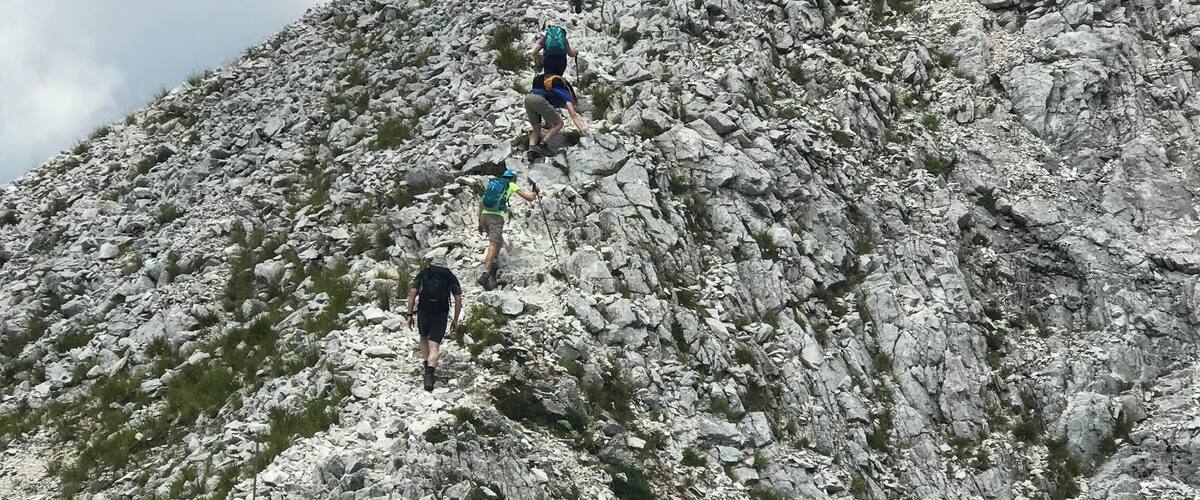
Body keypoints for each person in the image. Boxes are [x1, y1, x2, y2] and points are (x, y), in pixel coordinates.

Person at [406, 251, 462, 392]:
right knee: (435, 345)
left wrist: (410, 314)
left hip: (424, 310)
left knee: (423, 337)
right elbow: (458, 299)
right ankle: (430, 373)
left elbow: (412, 293)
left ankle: (427, 366)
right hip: (441, 312)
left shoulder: (424, 273)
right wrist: (455, 320)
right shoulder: (450, 276)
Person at [477, 169, 537, 289]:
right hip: (496, 217)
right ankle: (485, 275)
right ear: (512, 178)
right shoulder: (511, 184)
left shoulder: (494, 184)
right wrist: (535, 193)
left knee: (498, 242)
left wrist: (479, 222)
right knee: (493, 244)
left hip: (484, 216)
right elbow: (529, 198)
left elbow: (481, 202)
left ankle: (493, 266)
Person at [524, 73, 587, 159]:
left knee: (536, 128)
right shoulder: (565, 94)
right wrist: (582, 130)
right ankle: (542, 145)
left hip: (528, 98)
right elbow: (573, 115)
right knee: (559, 123)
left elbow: (546, 108)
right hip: (539, 100)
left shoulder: (551, 89)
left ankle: (531, 151)